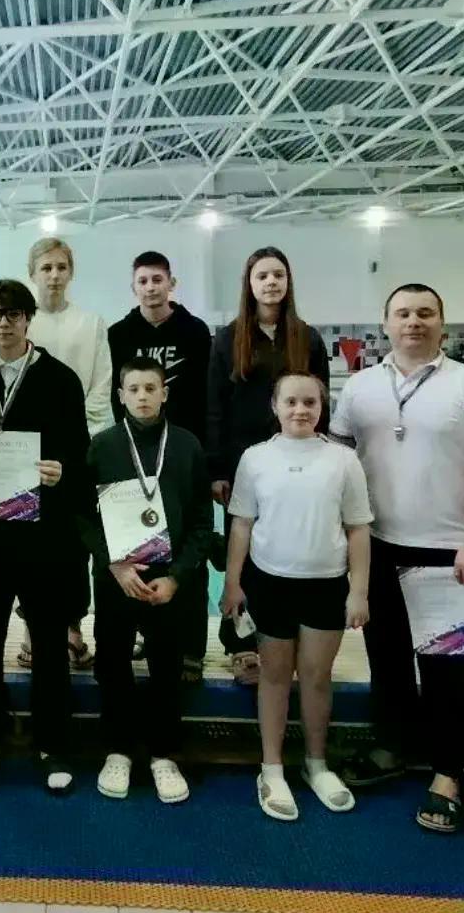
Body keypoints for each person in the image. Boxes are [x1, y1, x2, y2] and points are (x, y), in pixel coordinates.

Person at [331, 284, 464, 833]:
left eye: (425, 313)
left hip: (446, 551)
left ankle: (448, 774)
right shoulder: (360, 387)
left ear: (441, 321)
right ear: (385, 323)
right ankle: (391, 747)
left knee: (446, 670)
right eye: (402, 313)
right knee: (386, 658)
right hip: (376, 543)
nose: (413, 321)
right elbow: (339, 462)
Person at [0, 279, 91, 796]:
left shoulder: (60, 378)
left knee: (48, 641)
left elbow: (79, 450)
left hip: (43, 534)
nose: (3, 323)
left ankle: (53, 743)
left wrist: (62, 470)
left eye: (12, 314)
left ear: (28, 319)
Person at [223, 373, 372, 821]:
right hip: (270, 583)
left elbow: (358, 528)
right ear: (275, 405)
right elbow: (242, 524)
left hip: (326, 584)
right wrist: (232, 582)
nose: (301, 410)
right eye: (291, 401)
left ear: (322, 407)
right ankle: (271, 768)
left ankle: (315, 763)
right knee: (273, 676)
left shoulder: (343, 460)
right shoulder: (255, 458)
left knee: (316, 677)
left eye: (310, 402)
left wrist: (359, 591)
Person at [86, 360, 212, 803]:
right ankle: (117, 749)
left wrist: (177, 577)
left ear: (165, 393)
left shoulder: (187, 445)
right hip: (118, 576)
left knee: (166, 666)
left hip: (168, 580)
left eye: (150, 388)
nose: (142, 396)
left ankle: (163, 754)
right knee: (112, 662)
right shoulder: (102, 445)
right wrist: (113, 565)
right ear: (120, 395)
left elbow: (202, 520)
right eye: (134, 388)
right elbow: (84, 518)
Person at [208, 247, 330, 683]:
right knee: (240, 555)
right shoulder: (228, 339)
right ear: (250, 283)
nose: (271, 282)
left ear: (288, 281)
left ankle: (283, 636)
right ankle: (240, 642)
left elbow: (322, 404)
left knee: (289, 549)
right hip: (243, 465)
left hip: (297, 462)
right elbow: (215, 406)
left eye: (278, 274)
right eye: (262, 275)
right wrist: (217, 469)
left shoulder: (307, 338)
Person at [107, 252, 213, 681]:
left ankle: (191, 646)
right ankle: (143, 633)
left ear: (172, 283)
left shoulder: (195, 331)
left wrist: (204, 455)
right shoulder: (119, 333)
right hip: (133, 454)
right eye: (143, 281)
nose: (151, 287)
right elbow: (114, 393)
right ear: (133, 287)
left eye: (157, 279)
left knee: (187, 553)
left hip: (181, 454)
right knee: (137, 550)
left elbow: (206, 394)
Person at [25, 235, 111, 669]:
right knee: (30, 541)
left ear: (71, 272)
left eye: (61, 267)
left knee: (75, 542)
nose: (54, 276)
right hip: (27, 449)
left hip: (77, 446)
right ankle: (32, 631)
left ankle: (73, 629)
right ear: (32, 274)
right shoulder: (23, 322)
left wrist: (82, 444)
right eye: (46, 268)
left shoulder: (91, 323)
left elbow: (101, 387)